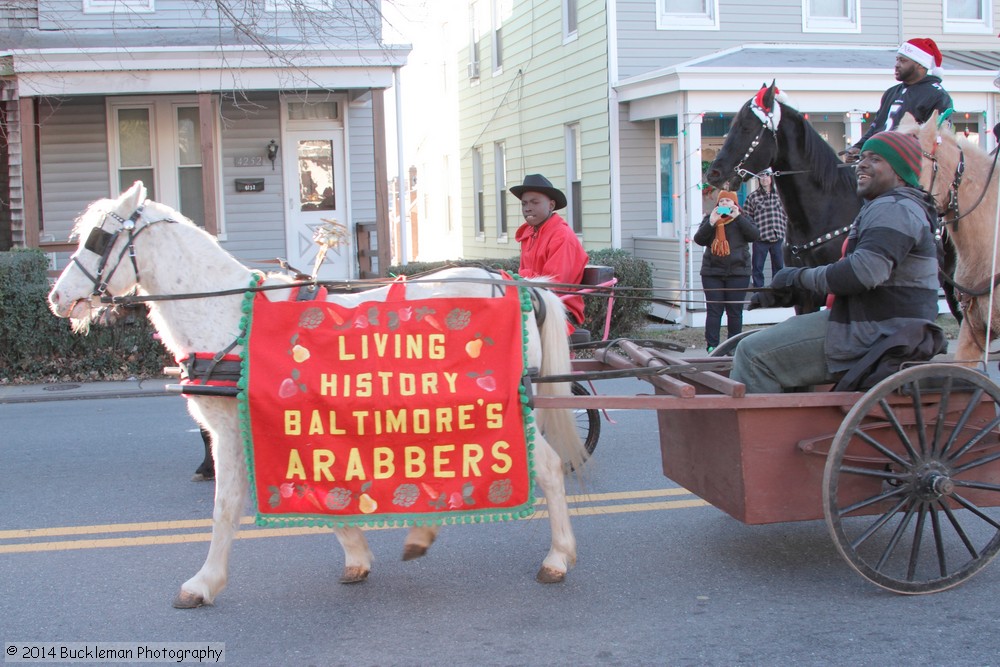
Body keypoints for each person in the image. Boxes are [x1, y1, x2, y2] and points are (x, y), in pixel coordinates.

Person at [734, 131, 944, 393]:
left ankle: (759, 434)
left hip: (879, 333)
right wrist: (786, 293)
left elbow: (862, 273)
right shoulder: (888, 206)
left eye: (876, 159)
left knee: (752, 354)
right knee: (774, 341)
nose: (862, 164)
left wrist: (797, 277)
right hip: (872, 324)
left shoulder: (894, 207)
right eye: (863, 157)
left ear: (900, 173)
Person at [845, 38, 953, 161]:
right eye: (897, 60)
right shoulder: (891, 92)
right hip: (879, 159)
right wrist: (859, 147)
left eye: (903, 61)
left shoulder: (937, 95)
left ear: (920, 64)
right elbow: (876, 127)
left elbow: (935, 139)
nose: (896, 65)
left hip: (908, 165)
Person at [511, 174, 589, 327]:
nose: (527, 208)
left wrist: (520, 277)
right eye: (524, 203)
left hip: (561, 308)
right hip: (534, 300)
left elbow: (554, 285)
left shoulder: (562, 236)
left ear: (551, 205)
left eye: (535, 202)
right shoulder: (529, 233)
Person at [693, 189, 760, 353]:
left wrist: (738, 217)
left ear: (735, 204)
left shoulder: (743, 219)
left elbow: (754, 235)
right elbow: (699, 239)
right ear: (717, 205)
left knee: (734, 311)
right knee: (714, 311)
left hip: (738, 272)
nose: (724, 205)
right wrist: (711, 222)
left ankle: (733, 347)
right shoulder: (710, 219)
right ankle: (712, 346)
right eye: (722, 202)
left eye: (728, 202)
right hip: (712, 273)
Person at [742, 171, 788, 289]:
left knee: (779, 267)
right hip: (760, 238)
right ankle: (758, 294)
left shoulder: (781, 195)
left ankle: (778, 292)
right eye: (761, 176)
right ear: (758, 179)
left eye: (767, 176)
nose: (764, 178)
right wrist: (753, 232)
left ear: (771, 178)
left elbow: (787, 214)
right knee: (757, 268)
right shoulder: (752, 197)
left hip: (778, 237)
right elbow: (747, 218)